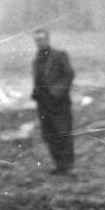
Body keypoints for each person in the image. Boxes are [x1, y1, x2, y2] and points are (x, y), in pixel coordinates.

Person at [30, 28, 76, 174]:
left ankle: (67, 166)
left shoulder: (59, 56)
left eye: (42, 39)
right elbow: (38, 80)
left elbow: (68, 75)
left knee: (63, 133)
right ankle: (58, 165)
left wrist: (56, 92)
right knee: (48, 135)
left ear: (47, 39)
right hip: (44, 104)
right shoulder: (37, 60)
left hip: (59, 103)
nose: (40, 42)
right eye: (37, 40)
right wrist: (36, 93)